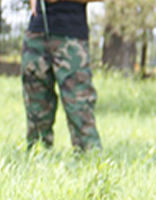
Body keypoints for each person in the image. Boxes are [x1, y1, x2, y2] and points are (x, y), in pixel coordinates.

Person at [22, 0, 102, 151]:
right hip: (37, 32)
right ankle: (36, 156)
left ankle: (91, 160)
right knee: (36, 106)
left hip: (71, 38)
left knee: (79, 106)